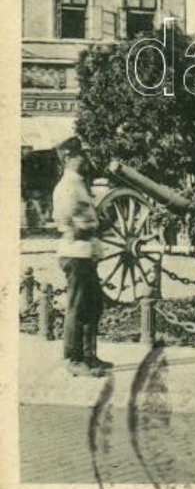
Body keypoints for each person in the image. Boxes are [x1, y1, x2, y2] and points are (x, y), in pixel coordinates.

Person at [53, 136, 112, 377]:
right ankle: (73, 359)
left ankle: (89, 356)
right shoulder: (68, 185)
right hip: (75, 253)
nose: (84, 159)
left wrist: (96, 223)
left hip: (85, 254)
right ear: (68, 158)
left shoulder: (78, 183)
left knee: (93, 305)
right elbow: (68, 223)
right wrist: (93, 226)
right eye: (79, 155)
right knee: (77, 308)